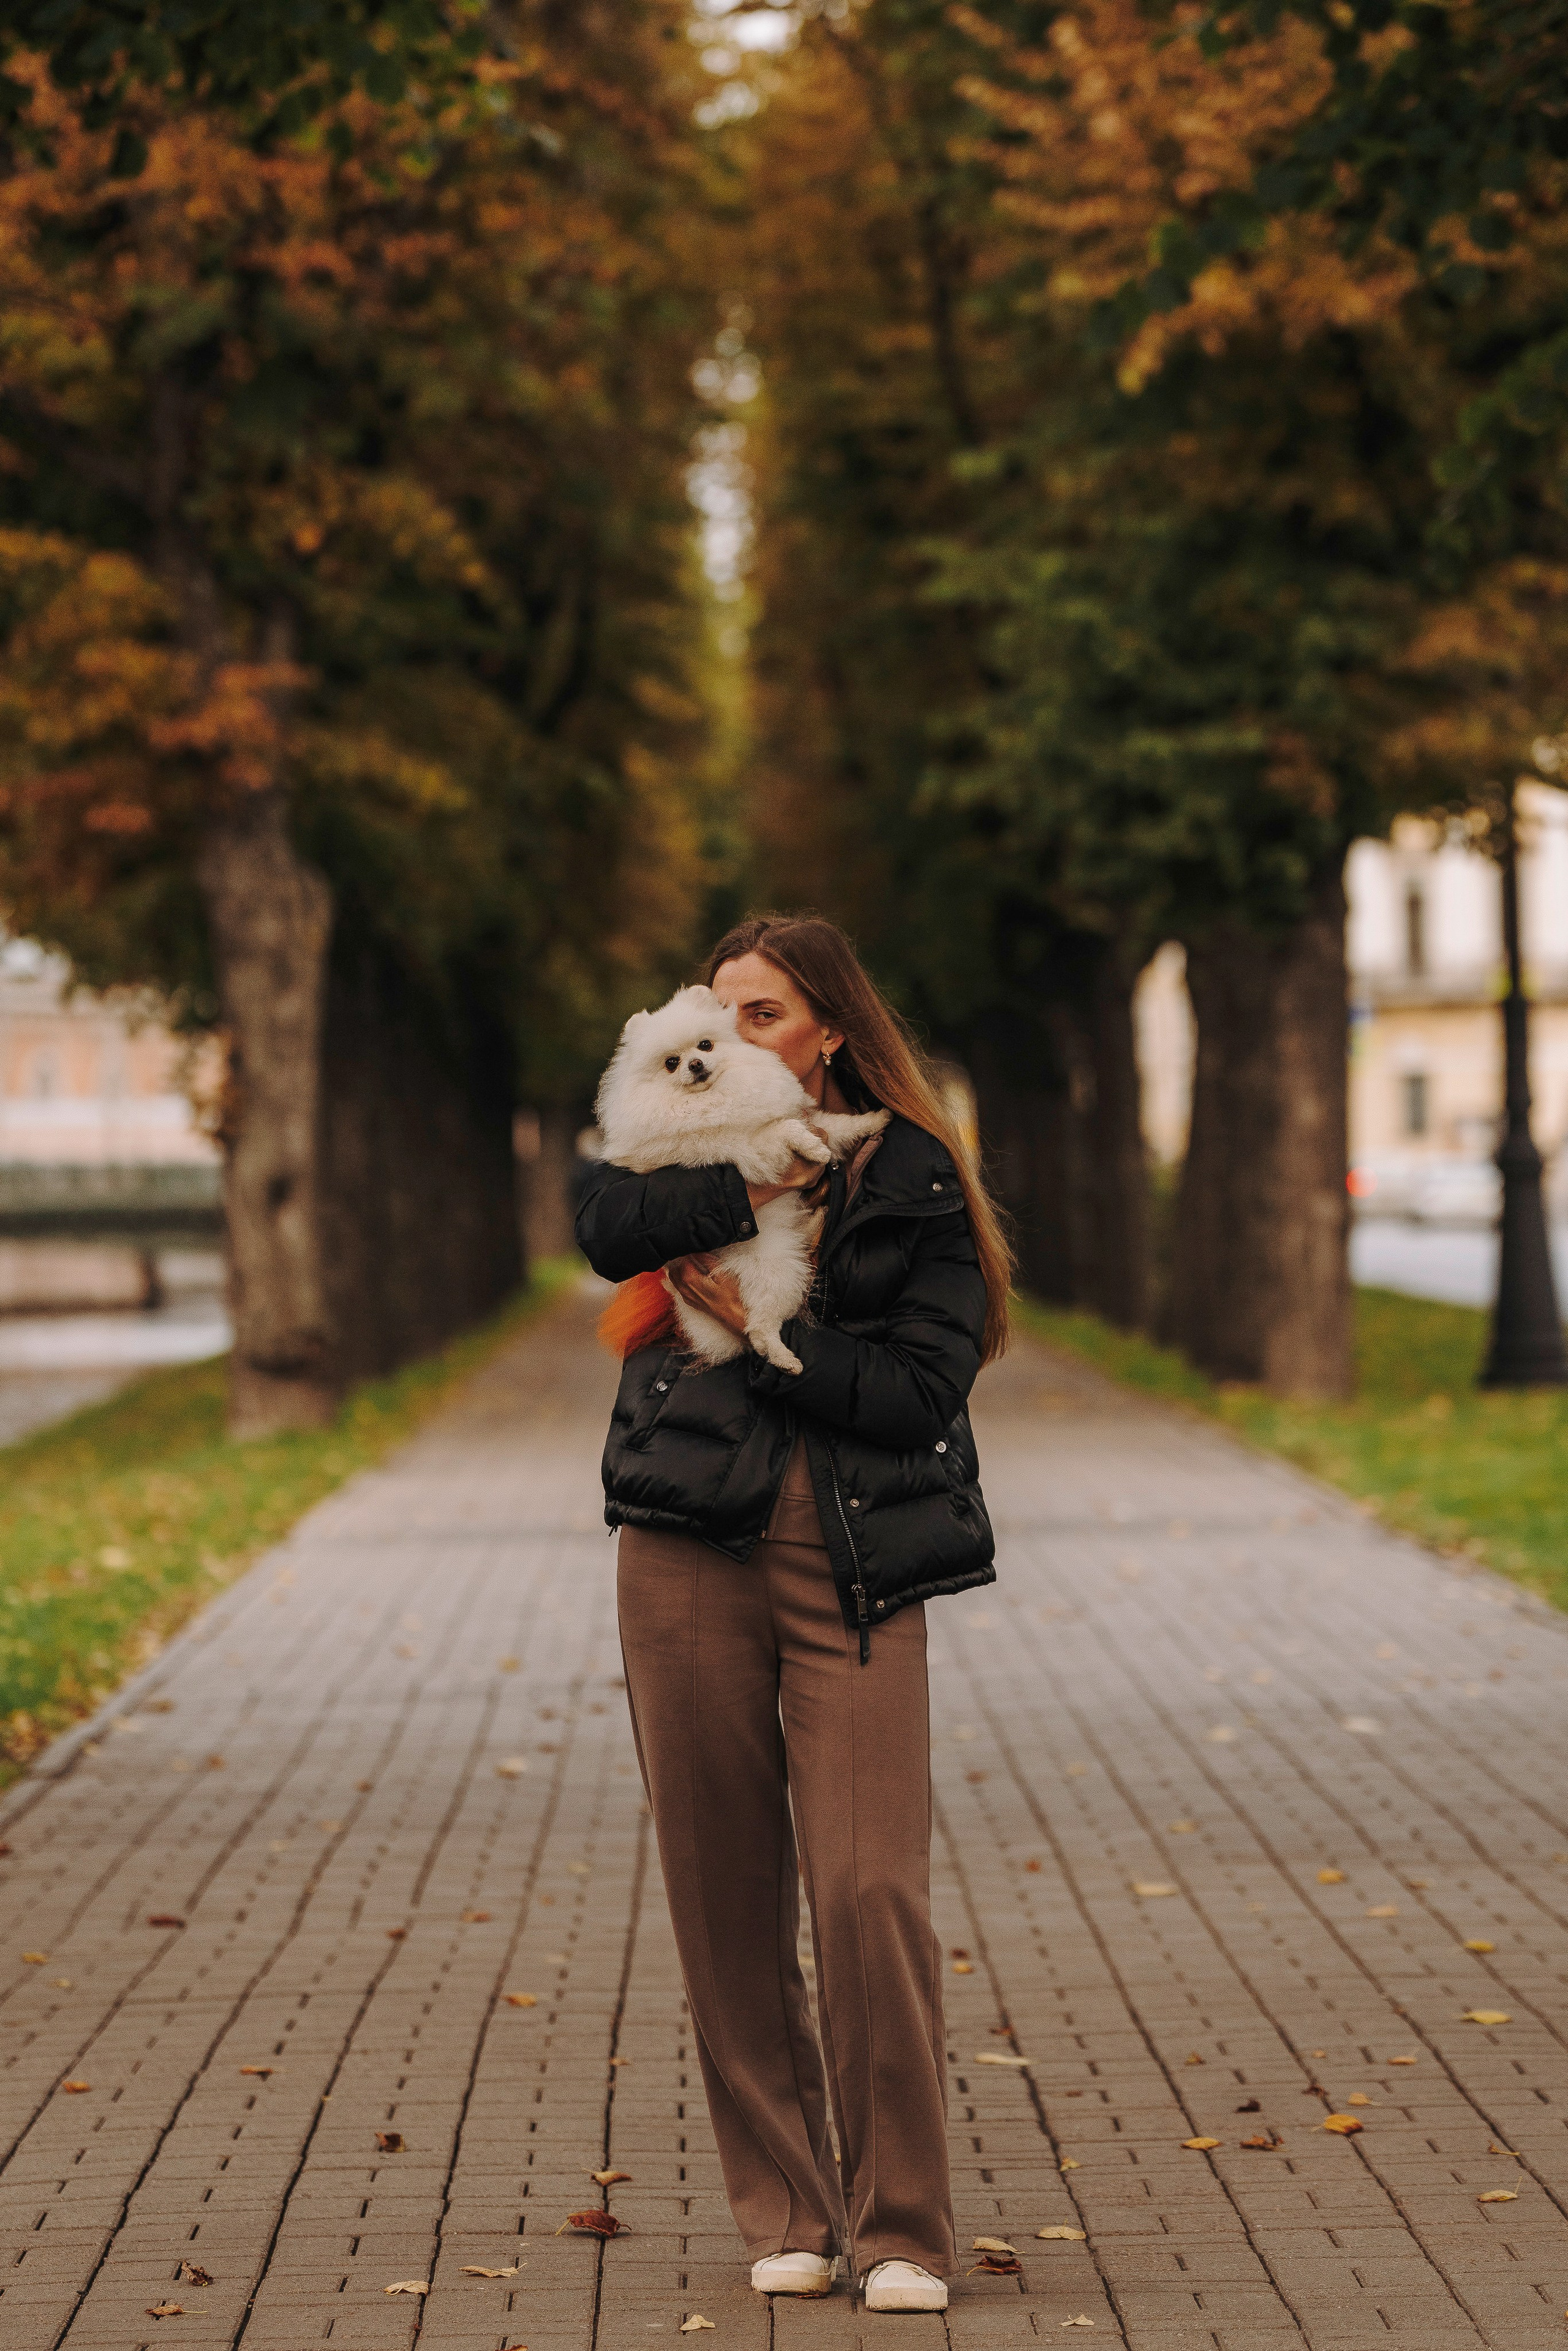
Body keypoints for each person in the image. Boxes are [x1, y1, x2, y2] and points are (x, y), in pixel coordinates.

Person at [575, 914, 1012, 2314]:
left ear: (828, 1028)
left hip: (853, 1558)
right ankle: (784, 2206)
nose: (736, 1037)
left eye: (765, 1015)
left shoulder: (910, 1168)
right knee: (721, 1887)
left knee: (867, 1885)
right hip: (682, 1545)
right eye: (723, 1010)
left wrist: (773, 1344)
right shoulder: (673, 1150)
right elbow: (598, 1228)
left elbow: (916, 1388)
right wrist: (744, 1169)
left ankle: (899, 2227)